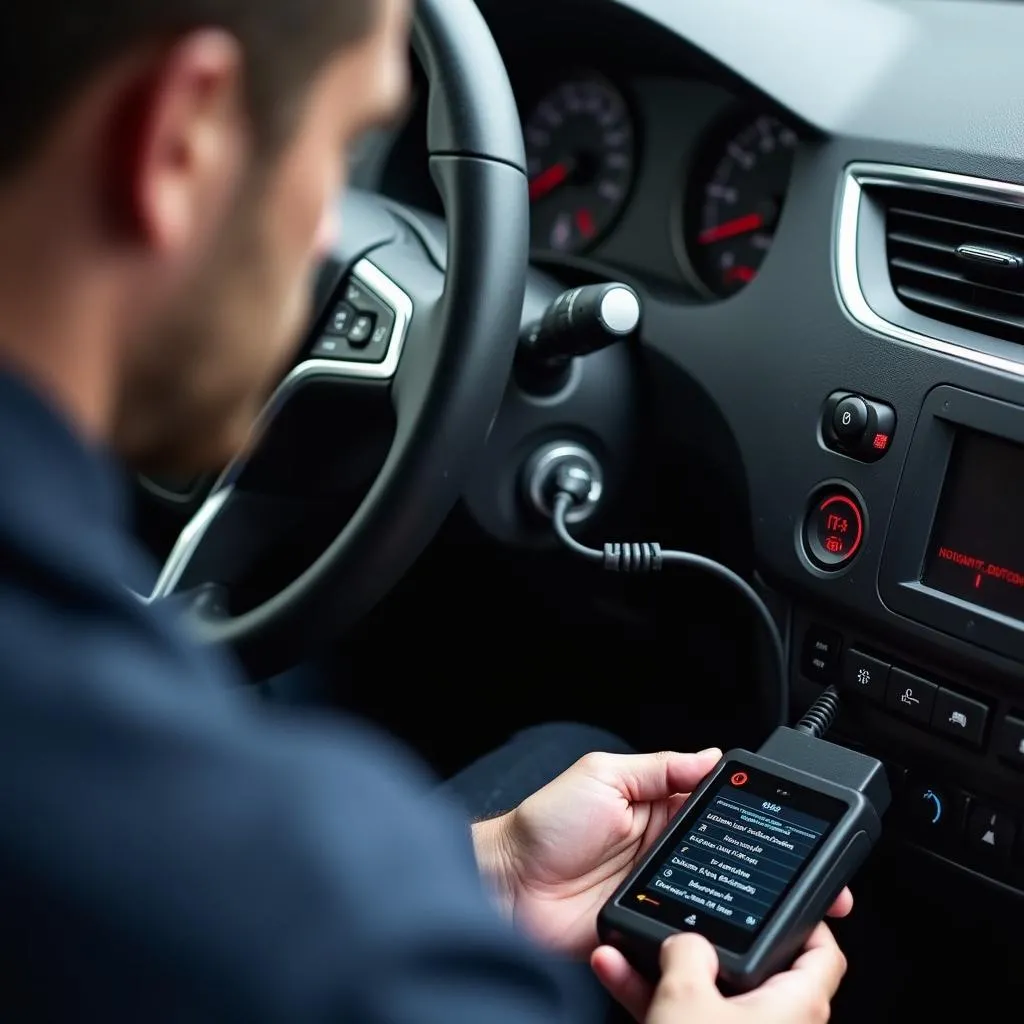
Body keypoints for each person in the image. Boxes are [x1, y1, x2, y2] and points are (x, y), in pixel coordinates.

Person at [0, 0, 852, 1020]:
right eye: (346, 143)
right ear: (182, 139)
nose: (330, 239)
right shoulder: (359, 965)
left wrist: (484, 872)